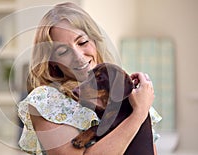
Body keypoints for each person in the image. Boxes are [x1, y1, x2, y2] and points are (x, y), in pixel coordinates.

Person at [17, 2, 161, 155]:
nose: (78, 57)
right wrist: (138, 114)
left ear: (95, 41)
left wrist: (139, 107)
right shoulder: (46, 100)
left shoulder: (132, 96)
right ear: (52, 62)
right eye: (63, 51)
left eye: (83, 42)